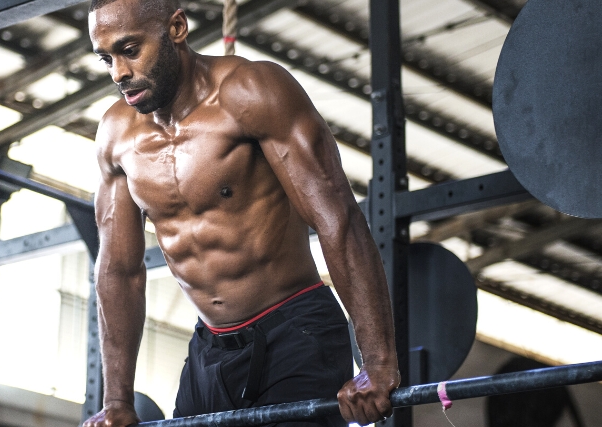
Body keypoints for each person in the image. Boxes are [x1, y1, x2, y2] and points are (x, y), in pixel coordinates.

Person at [83, 0, 400, 425]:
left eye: (130, 49)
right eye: (106, 58)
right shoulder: (115, 135)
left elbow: (337, 219)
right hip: (210, 347)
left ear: (176, 28)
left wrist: (378, 363)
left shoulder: (251, 91)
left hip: (295, 331)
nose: (118, 72)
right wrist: (117, 401)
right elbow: (118, 269)